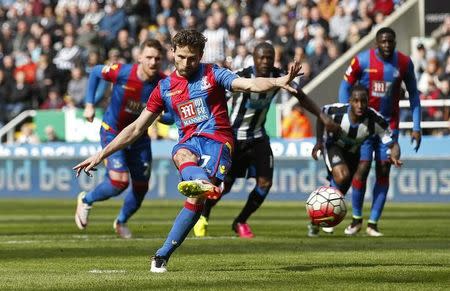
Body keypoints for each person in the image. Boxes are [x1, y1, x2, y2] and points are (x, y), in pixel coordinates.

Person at [73, 29, 304, 273]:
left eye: (192, 58)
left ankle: (163, 252)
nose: (186, 63)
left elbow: (249, 83)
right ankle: (200, 182)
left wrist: (278, 82)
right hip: (189, 143)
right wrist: (101, 154)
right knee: (181, 154)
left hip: (218, 142)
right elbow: (137, 127)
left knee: (195, 198)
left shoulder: (213, 74)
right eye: (181, 57)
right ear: (173, 52)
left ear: (201, 55)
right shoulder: (164, 87)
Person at [193, 42, 339, 239]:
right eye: (261, 57)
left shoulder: (279, 77)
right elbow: (215, 97)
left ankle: (241, 221)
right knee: (224, 185)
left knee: (265, 183)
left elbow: (301, 96)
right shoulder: (241, 76)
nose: (265, 61)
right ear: (254, 58)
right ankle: (203, 216)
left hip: (258, 137)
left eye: (269, 57)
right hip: (234, 138)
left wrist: (322, 115)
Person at [74, 39, 166, 239]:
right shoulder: (123, 72)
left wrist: (163, 116)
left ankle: (121, 221)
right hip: (112, 132)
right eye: (149, 57)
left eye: (157, 59)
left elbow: (170, 116)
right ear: (139, 57)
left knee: (141, 187)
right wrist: (89, 103)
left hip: (139, 137)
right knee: (119, 181)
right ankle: (86, 199)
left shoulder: (164, 83)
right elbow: (97, 71)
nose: (152, 62)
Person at [338, 27, 421, 236]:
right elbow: (344, 86)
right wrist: (346, 116)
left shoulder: (403, 62)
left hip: (389, 126)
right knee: (362, 169)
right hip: (365, 126)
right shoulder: (361, 61)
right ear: (376, 43)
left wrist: (416, 126)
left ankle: (373, 223)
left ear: (394, 43)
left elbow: (414, 95)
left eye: (390, 42)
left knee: (384, 170)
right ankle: (356, 219)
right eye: (382, 42)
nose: (386, 45)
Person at [309, 85, 402, 237]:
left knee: (342, 185)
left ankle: (316, 219)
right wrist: (319, 141)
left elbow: (393, 143)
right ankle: (322, 214)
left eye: (363, 101)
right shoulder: (336, 112)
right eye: (356, 101)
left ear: (368, 102)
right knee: (342, 176)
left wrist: (395, 155)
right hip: (334, 146)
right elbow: (321, 116)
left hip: (354, 153)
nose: (360, 105)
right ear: (350, 101)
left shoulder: (375, 120)